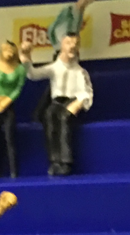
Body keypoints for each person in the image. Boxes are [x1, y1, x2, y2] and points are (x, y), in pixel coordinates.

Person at [21, 32, 92, 176]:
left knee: (64, 118)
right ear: (62, 45)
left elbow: (86, 91)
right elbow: (33, 74)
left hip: (72, 101)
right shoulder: (54, 68)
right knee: (49, 115)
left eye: (75, 44)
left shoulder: (80, 72)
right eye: (68, 43)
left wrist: (79, 102)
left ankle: (66, 161)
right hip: (57, 102)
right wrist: (26, 57)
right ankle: (54, 160)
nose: (72, 47)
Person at [0, 41, 26, 178]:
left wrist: (6, 101)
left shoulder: (20, 69)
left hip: (9, 107)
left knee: (10, 139)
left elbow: (18, 89)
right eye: (6, 50)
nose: (9, 53)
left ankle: (14, 170)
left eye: (11, 51)